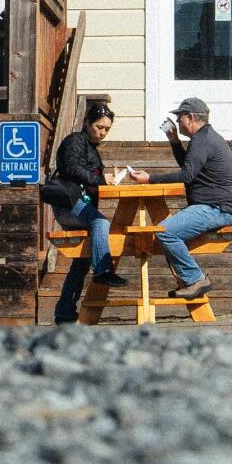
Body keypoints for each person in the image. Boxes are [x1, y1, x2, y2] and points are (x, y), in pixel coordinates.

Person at [43, 96, 144, 324]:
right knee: (101, 223)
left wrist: (106, 179)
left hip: (80, 205)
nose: (102, 132)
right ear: (87, 122)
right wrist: (100, 179)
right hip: (69, 204)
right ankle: (103, 272)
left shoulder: (91, 149)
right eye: (99, 127)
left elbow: (90, 180)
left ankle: (64, 314)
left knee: (81, 262)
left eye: (107, 129)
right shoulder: (74, 141)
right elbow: (71, 168)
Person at [156, 96, 232, 299]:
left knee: (165, 232)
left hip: (215, 208)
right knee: (165, 234)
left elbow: (186, 175)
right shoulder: (204, 138)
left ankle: (195, 279)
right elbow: (189, 166)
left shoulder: (204, 140)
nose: (177, 121)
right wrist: (175, 142)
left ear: (191, 117)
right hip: (211, 206)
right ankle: (189, 280)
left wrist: (149, 179)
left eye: (180, 117)